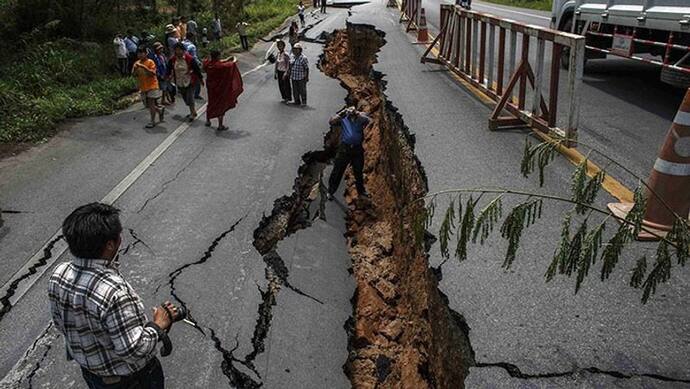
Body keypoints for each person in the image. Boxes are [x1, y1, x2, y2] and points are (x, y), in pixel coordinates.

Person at [48, 203, 182, 389]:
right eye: (118, 235)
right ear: (110, 244)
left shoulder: (59, 273)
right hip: (130, 381)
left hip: (93, 375)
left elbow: (60, 323)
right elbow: (135, 350)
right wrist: (158, 324)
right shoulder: (114, 292)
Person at [327, 107, 371, 200]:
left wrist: (358, 114)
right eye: (350, 113)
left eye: (352, 113)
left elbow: (369, 120)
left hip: (357, 149)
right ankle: (331, 191)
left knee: (358, 171)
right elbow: (331, 122)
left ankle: (361, 192)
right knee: (338, 170)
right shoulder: (343, 118)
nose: (351, 115)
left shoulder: (360, 118)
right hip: (345, 148)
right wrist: (342, 113)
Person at [203, 50, 244, 131]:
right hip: (219, 88)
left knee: (211, 103)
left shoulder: (208, 64)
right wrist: (234, 59)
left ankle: (208, 120)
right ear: (218, 56)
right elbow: (231, 64)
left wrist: (226, 59)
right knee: (220, 105)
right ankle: (220, 125)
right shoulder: (220, 66)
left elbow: (216, 63)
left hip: (210, 87)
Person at [168, 42, 204, 121]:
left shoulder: (190, 59)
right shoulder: (173, 59)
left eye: (180, 50)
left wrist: (201, 79)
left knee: (189, 96)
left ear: (183, 50)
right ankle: (193, 110)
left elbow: (197, 69)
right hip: (179, 80)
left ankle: (192, 112)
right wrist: (167, 77)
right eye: (176, 50)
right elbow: (169, 68)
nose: (178, 52)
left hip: (190, 80)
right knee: (185, 97)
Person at [133, 47, 164, 128]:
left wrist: (143, 67)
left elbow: (153, 73)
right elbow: (134, 74)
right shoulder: (137, 63)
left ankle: (152, 121)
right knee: (147, 105)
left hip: (152, 86)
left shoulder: (150, 62)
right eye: (138, 53)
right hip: (143, 87)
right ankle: (159, 110)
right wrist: (135, 69)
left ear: (146, 53)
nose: (140, 55)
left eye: (142, 53)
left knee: (151, 103)